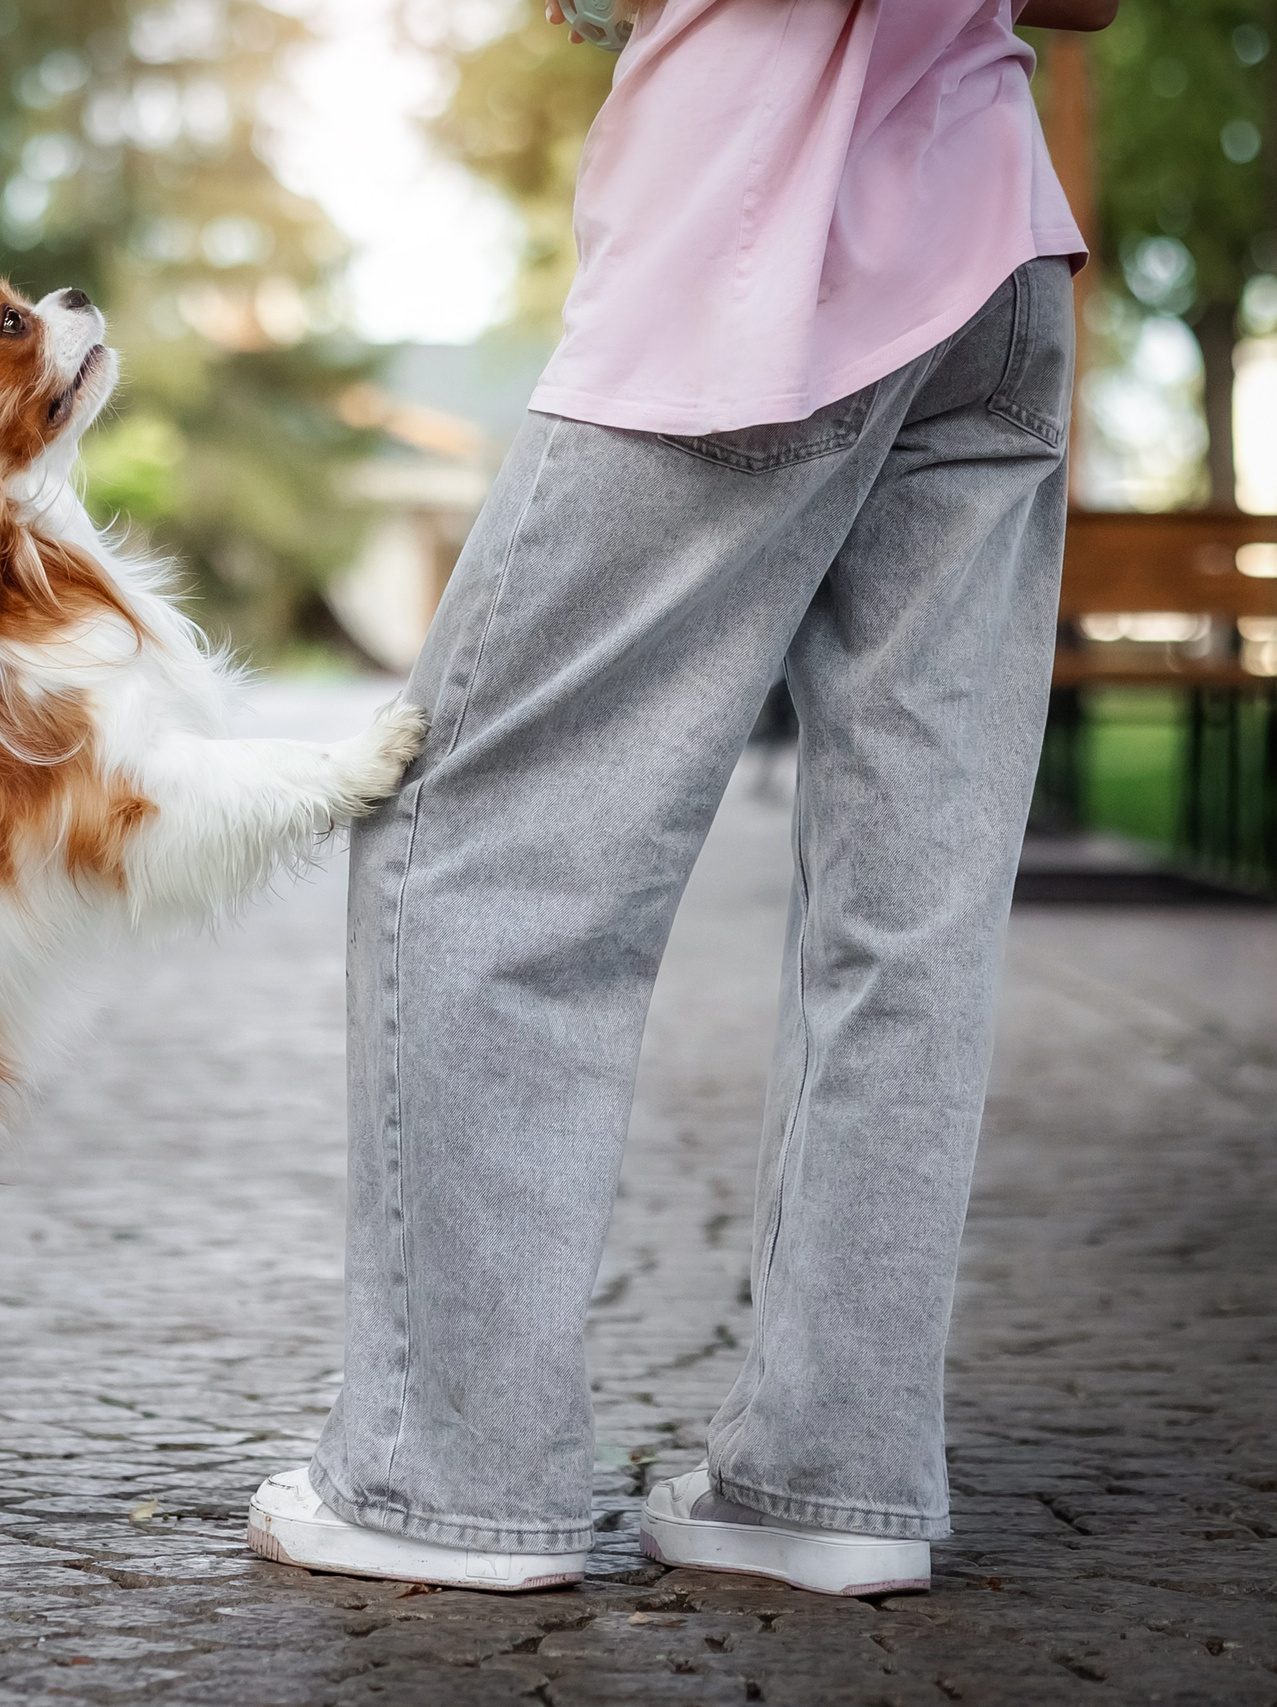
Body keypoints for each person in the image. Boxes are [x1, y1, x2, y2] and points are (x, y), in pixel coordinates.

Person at [246, 0, 1118, 1598]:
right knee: (908, 911)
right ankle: (831, 1488)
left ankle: (450, 1481)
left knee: (477, 842)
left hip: (764, 250)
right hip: (992, 255)